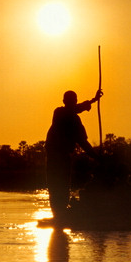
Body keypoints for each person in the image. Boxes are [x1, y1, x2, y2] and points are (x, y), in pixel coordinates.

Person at [45, 88, 102, 219]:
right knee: (55, 186)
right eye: (70, 101)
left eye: (73, 101)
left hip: (64, 157)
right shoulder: (59, 112)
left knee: (63, 186)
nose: (72, 103)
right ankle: (58, 215)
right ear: (64, 101)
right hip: (54, 156)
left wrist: (96, 157)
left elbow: (83, 142)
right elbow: (73, 110)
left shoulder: (76, 121)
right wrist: (93, 100)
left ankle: (61, 213)